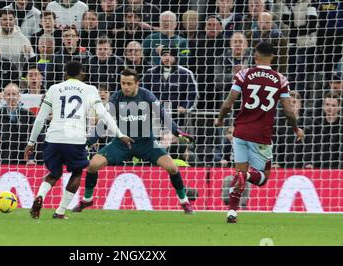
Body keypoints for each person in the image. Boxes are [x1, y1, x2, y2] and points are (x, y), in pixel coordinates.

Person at [72, 68, 195, 214]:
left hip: (146, 143)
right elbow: (105, 121)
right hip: (121, 143)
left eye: (129, 84)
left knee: (172, 168)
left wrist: (176, 131)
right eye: (123, 83)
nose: (125, 87)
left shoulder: (146, 95)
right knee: (93, 165)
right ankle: (87, 200)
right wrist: (88, 142)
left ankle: (185, 202)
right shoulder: (116, 98)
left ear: (137, 83)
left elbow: (163, 114)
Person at [24, 61, 132, 219]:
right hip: (75, 139)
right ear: (82, 74)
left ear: (65, 74)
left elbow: (40, 119)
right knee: (76, 173)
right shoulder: (90, 90)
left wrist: (31, 143)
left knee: (54, 173)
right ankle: (60, 211)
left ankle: (40, 196)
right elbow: (103, 114)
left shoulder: (54, 89)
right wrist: (119, 134)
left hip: (53, 138)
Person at [215, 42, 305, 223]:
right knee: (263, 178)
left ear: (255, 55)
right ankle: (245, 177)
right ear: (273, 57)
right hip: (262, 135)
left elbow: (229, 101)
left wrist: (220, 119)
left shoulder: (243, 74)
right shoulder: (281, 79)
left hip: (239, 131)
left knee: (239, 171)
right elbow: (288, 111)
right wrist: (296, 128)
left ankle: (232, 212)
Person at [0, 83, 35, 164]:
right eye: (8, 94)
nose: (11, 97)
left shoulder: (28, 114)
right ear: (4, 97)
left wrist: (32, 157)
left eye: (14, 94)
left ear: (19, 96)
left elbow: (35, 135)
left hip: (22, 156)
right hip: (2, 156)